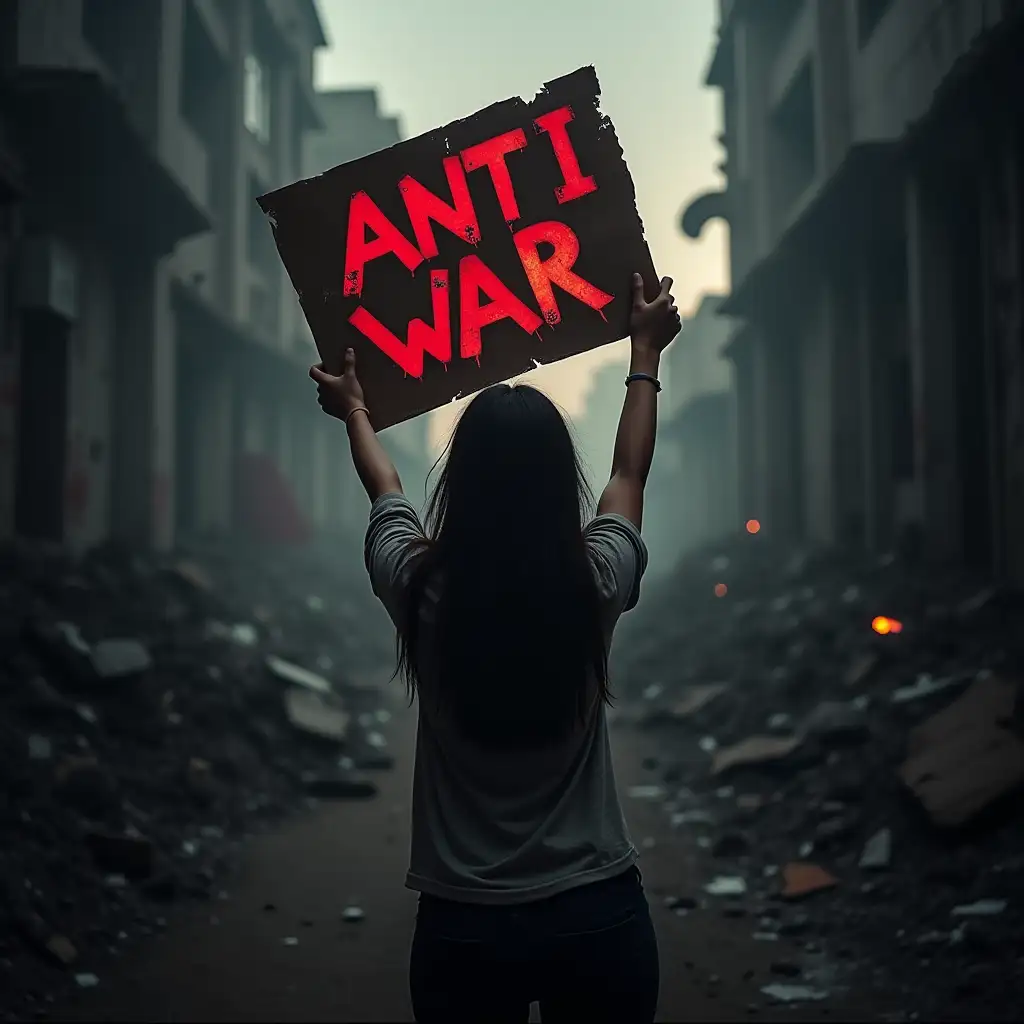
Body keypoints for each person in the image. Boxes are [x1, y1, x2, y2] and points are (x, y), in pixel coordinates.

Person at [309, 273, 681, 1024]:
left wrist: (355, 410)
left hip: (464, 926)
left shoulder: (419, 587)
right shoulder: (596, 579)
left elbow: (384, 490)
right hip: (598, 914)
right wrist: (645, 354)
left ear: (463, 481)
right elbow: (627, 474)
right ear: (554, 482)